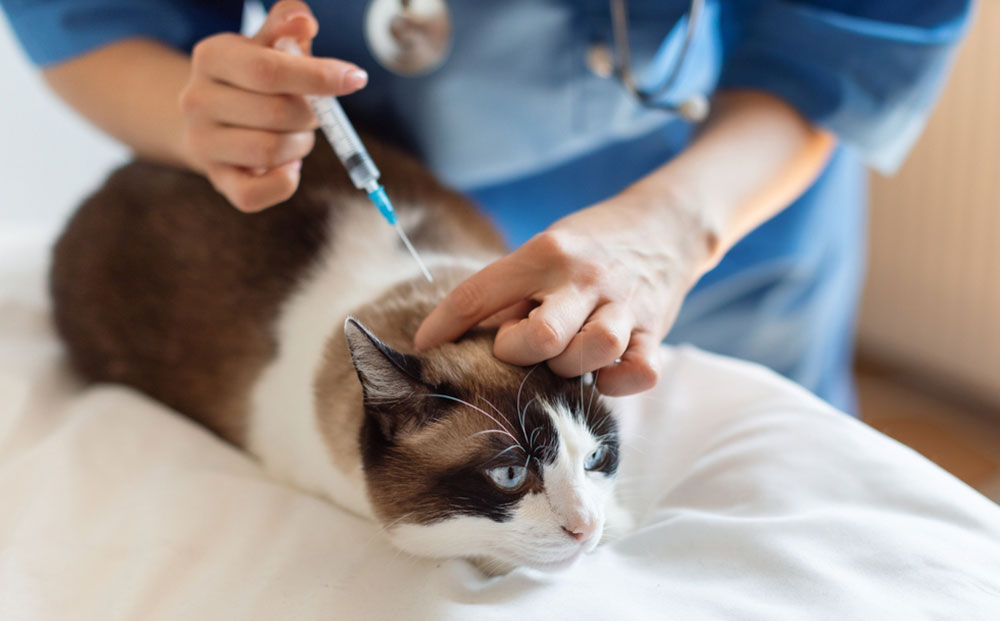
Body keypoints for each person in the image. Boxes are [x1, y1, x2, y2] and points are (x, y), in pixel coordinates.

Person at [0, 0, 973, 410]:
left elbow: (860, 31)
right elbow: (91, 17)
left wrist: (680, 225)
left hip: (730, 179)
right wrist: (205, 116)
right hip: (395, 165)